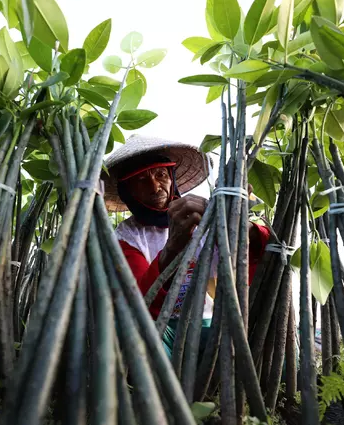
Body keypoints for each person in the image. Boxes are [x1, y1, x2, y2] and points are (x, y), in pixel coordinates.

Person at [104, 135, 270, 357]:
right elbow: (139, 301)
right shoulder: (126, 237)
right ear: (128, 193)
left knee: (266, 325)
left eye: (161, 175)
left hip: (210, 324)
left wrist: (240, 225)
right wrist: (173, 247)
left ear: (172, 178)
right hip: (162, 331)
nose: (155, 187)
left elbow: (262, 255)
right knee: (134, 333)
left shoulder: (202, 216)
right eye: (141, 181)